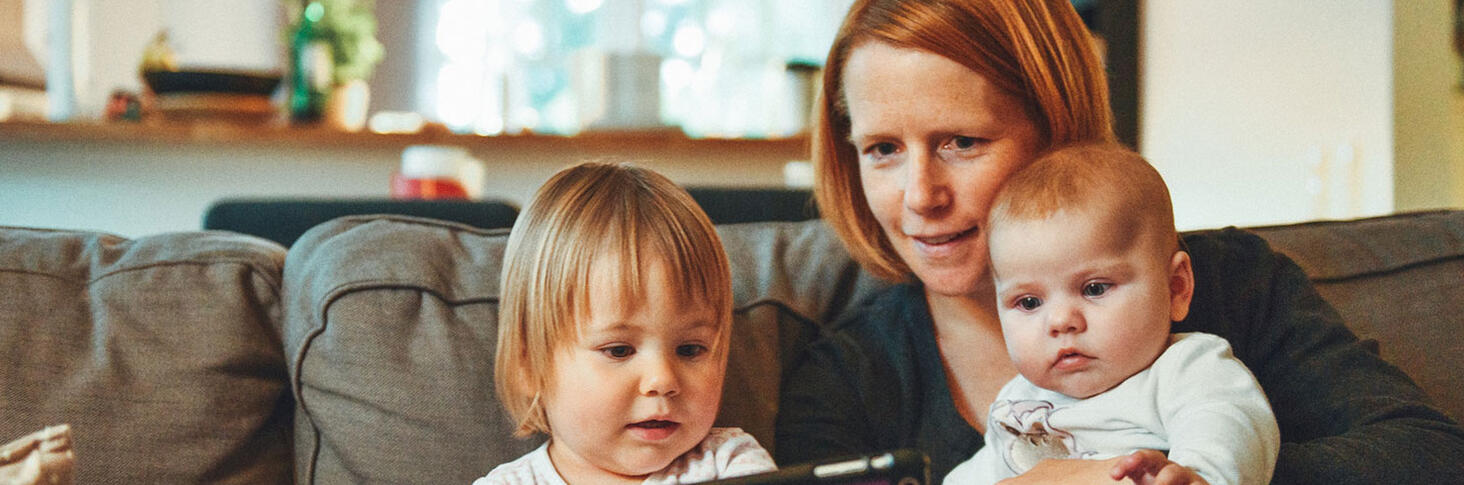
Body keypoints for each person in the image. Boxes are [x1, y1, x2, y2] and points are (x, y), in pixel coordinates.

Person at [774, 0, 1464, 483]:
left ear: (1057, 126)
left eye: (962, 141)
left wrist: (1178, 467)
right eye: (884, 149)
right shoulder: (844, 381)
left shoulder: (1232, 285)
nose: (921, 195)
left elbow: (1428, 455)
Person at [943, 143, 1278, 485]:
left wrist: (1199, 476)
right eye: (1029, 302)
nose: (1060, 321)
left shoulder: (1186, 371)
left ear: (1176, 288)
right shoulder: (1018, 401)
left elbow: (1228, 426)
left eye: (1094, 289)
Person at [478, 162, 777, 484]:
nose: (661, 380)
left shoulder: (731, 464)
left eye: (690, 349)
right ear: (528, 365)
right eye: (619, 350)